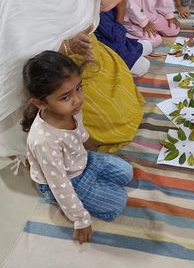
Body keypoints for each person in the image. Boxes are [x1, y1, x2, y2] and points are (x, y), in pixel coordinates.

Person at [0, 0, 144, 159]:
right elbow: (20, 55)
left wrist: (101, 5)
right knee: (113, 123)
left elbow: (77, 10)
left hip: (80, 56)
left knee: (124, 106)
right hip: (50, 77)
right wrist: (65, 46)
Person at [22, 51, 133, 244]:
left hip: (82, 160)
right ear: (40, 103)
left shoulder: (72, 111)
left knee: (127, 172)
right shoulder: (44, 141)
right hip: (67, 181)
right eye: (65, 97)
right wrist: (81, 219)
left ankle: (95, 181)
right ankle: (84, 196)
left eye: (79, 88)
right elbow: (59, 183)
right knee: (118, 202)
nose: (78, 99)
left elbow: (81, 136)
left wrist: (95, 157)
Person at [94, 0, 152, 77]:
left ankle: (134, 53)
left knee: (149, 45)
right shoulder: (101, 12)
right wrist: (121, 9)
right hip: (113, 49)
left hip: (123, 42)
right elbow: (117, 38)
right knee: (145, 66)